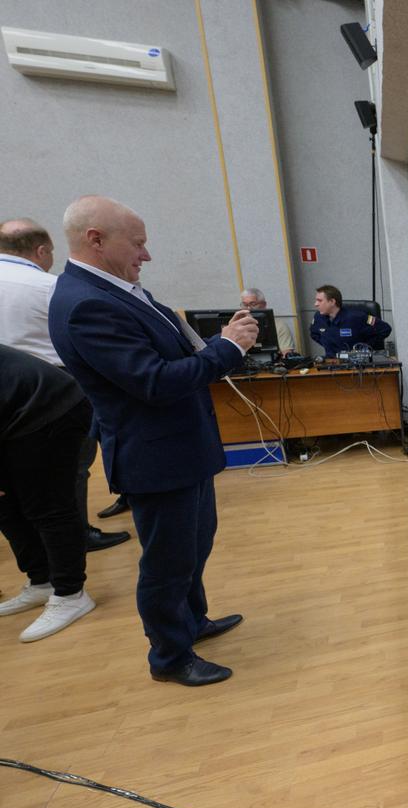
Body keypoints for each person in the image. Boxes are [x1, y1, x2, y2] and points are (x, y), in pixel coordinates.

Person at [48, 195, 256, 686]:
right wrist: (228, 349)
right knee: (167, 563)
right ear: (96, 240)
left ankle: (192, 622)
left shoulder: (118, 290)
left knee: (194, 547)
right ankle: (169, 657)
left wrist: (218, 341)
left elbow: (173, 351)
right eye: (138, 243)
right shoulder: (87, 305)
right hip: (155, 456)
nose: (146, 255)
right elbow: (154, 382)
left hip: (182, 448)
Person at [0, 217, 132, 551]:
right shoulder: (50, 287)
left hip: (6, 394)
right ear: (41, 251)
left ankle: (34, 541)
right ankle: (77, 534)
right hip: (54, 392)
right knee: (73, 466)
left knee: (13, 471)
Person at [0, 344, 97, 641]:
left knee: (48, 506)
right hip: (11, 414)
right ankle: (42, 581)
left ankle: (70, 593)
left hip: (47, 407)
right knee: (6, 507)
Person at [310, 284, 392, 357]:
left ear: (332, 301)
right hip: (331, 362)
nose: (316, 304)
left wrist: (365, 347)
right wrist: (330, 346)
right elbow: (314, 334)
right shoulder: (318, 317)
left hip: (356, 362)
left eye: (319, 301)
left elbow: (385, 329)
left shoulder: (356, 317)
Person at [240, 287, 298, 354]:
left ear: (264, 305)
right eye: (244, 305)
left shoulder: (279, 325)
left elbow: (287, 352)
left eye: (253, 304)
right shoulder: (237, 327)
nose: (248, 308)